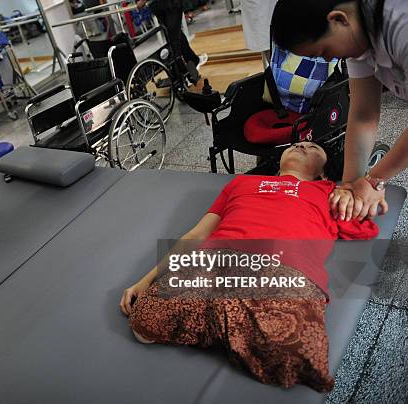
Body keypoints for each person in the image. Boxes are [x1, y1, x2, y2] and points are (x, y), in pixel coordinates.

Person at [119, 142, 378, 391]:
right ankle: (234, 326)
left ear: (322, 171)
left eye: (313, 148)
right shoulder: (242, 182)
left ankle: (219, 319)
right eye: (296, 144)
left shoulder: (331, 193)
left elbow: (365, 221)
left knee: (296, 358)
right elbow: (196, 234)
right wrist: (147, 279)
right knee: (144, 321)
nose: (302, 146)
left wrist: (371, 190)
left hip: (285, 271)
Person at [270, 0, 408, 222]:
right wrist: (349, 187)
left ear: (339, 19)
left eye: (324, 50)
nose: (328, 59)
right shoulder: (357, 39)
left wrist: (374, 180)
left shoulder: (402, 24)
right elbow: (364, 114)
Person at [136, 0, 207, 82]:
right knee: (175, 35)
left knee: (174, 37)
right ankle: (192, 62)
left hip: (169, 4)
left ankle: (183, 74)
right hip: (159, 5)